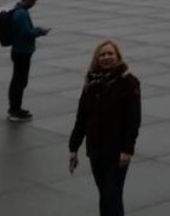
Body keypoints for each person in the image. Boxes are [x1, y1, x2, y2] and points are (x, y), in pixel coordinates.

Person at [68, 39, 141, 216]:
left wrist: (127, 149)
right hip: (96, 150)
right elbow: (82, 118)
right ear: (96, 58)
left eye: (110, 54)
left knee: (111, 195)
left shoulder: (128, 82)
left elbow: (133, 120)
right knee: (105, 195)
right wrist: (73, 148)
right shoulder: (91, 84)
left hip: (117, 151)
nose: (106, 57)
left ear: (117, 57)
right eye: (102, 54)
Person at [7, 0, 51, 121]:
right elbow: (25, 33)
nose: (34, 4)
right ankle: (14, 110)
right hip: (22, 52)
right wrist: (39, 31)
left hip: (20, 51)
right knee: (19, 81)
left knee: (19, 81)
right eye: (34, 1)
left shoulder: (19, 11)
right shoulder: (21, 14)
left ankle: (16, 108)